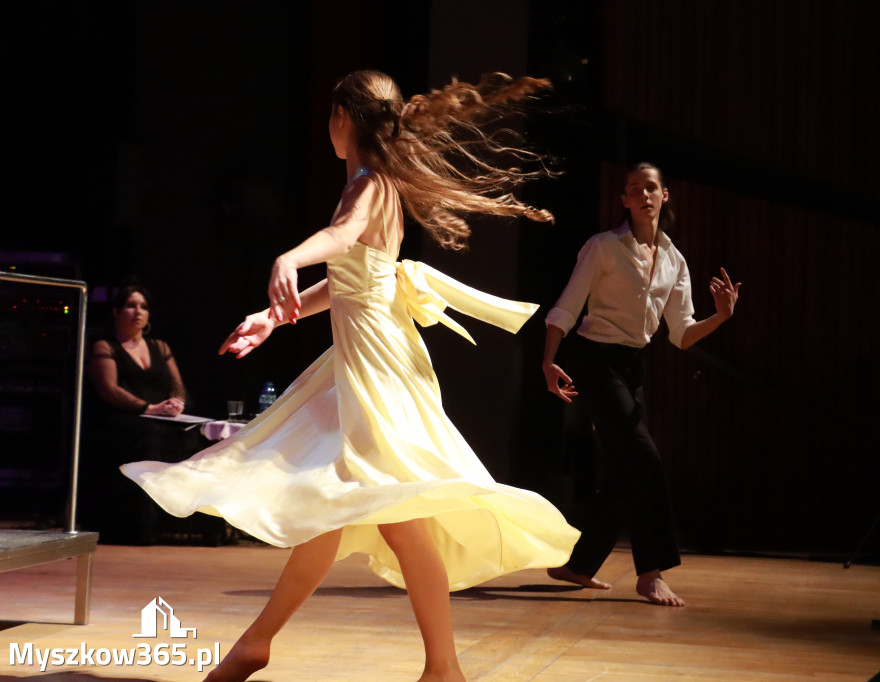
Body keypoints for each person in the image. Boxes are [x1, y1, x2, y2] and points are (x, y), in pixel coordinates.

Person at [121, 70, 579, 682]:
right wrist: (273, 318)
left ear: (342, 118)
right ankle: (271, 645)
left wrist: (288, 256)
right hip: (364, 361)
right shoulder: (375, 184)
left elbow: (338, 241)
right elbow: (351, 280)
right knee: (334, 504)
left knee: (388, 509)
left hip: (376, 367)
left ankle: (435, 667)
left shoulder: (367, 184)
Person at [541, 162, 741, 607]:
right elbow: (567, 306)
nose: (644, 195)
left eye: (651, 188)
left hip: (631, 368)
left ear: (664, 195)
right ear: (625, 200)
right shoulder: (604, 248)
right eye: (634, 189)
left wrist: (721, 317)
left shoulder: (674, 260)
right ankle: (651, 572)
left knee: (622, 471)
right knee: (644, 458)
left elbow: (682, 334)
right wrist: (549, 361)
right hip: (593, 362)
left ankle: (578, 566)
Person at [82, 283, 209, 544]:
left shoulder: (160, 347)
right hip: (123, 418)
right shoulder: (105, 347)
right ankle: (140, 527)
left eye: (143, 307)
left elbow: (177, 385)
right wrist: (148, 407)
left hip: (160, 416)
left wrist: (176, 403)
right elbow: (110, 390)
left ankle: (195, 525)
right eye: (131, 305)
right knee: (148, 437)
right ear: (116, 312)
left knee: (201, 438)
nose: (138, 312)